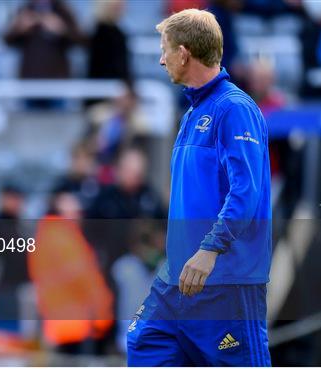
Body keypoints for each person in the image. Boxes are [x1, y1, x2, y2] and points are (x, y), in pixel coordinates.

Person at [127, 9, 272, 366]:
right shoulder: (193, 113)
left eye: (164, 50)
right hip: (177, 278)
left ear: (184, 52)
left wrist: (210, 249)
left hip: (226, 279)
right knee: (143, 344)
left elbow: (245, 192)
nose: (161, 60)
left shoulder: (234, 108)